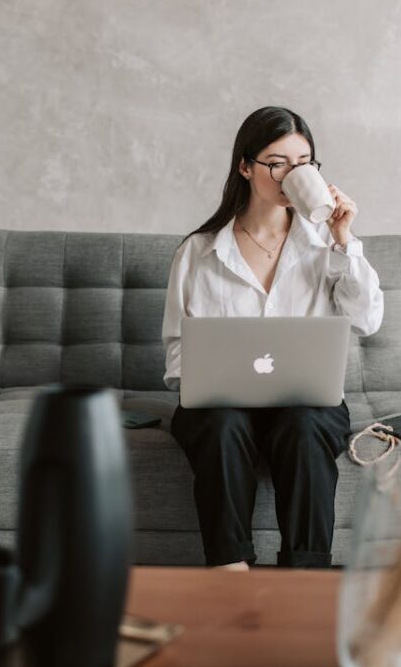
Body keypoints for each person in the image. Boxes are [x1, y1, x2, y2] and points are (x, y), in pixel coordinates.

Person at [161, 106, 384, 570]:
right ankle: (230, 570)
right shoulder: (199, 252)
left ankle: (305, 575)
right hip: (220, 407)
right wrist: (206, 380)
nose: (292, 174)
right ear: (245, 167)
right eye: (277, 162)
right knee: (222, 425)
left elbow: (367, 321)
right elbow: (178, 351)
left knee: (305, 426)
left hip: (303, 403)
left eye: (304, 163)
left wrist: (345, 240)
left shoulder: (326, 245)